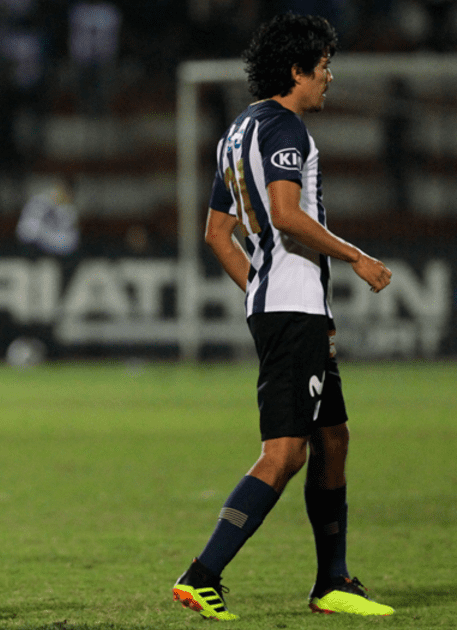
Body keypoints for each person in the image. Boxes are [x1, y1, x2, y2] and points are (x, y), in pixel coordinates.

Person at [172, 13, 395, 621]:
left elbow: (218, 234)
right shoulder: (285, 128)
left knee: (332, 439)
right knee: (284, 454)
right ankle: (202, 574)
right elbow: (287, 213)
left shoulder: (237, 131)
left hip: (284, 306)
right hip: (293, 308)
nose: (328, 78)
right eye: (322, 68)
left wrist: (257, 290)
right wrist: (358, 257)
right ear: (296, 70)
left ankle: (332, 581)